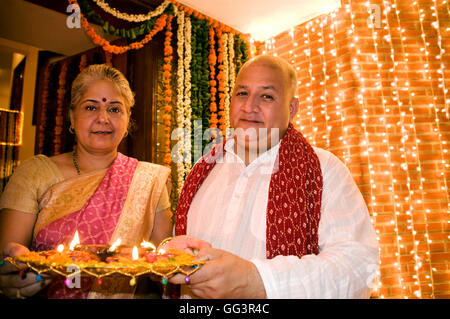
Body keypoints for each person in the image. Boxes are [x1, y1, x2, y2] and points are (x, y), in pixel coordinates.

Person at [165, 55, 380, 299]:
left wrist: (257, 281)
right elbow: (180, 245)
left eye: (266, 96)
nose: (249, 107)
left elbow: (358, 268)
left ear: (292, 108)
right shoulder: (202, 169)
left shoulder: (325, 169)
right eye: (242, 93)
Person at [0, 64, 173, 299]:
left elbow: (160, 270)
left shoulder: (149, 180)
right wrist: (12, 278)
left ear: (128, 118)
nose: (103, 118)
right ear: (72, 117)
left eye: (114, 109)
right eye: (91, 107)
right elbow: (8, 264)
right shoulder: (34, 174)